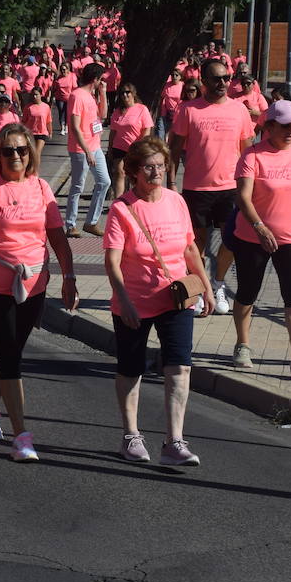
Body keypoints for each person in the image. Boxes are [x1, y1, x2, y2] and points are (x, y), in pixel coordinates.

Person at [0, 124, 77, 461]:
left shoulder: (41, 188)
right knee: (9, 355)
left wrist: (69, 276)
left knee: (11, 353)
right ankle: (22, 435)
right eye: (8, 151)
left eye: (22, 150)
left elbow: (57, 237)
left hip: (34, 284)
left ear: (31, 154)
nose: (16, 156)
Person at [103, 136, 214, 466]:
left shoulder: (176, 201)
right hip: (134, 302)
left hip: (175, 299)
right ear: (135, 171)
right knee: (131, 370)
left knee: (179, 367)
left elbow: (190, 248)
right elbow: (111, 261)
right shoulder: (122, 209)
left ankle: (174, 441)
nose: (156, 172)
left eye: (161, 166)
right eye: (148, 167)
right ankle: (131, 436)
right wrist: (124, 301)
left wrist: (206, 288)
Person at [230, 101, 291, 377]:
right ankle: (242, 345)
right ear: (269, 127)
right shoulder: (253, 155)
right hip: (252, 237)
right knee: (248, 292)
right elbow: (243, 197)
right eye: (285, 126)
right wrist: (260, 228)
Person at [168, 59, 255, 315]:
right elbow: (174, 150)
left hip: (230, 188)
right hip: (196, 188)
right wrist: (171, 183)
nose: (222, 83)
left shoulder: (239, 110)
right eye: (216, 79)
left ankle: (217, 284)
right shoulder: (188, 109)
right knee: (197, 245)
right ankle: (197, 290)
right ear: (203, 81)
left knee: (232, 241)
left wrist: (250, 188)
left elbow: (248, 152)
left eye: (226, 78)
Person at [64, 62, 111, 237]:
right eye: (101, 80)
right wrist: (86, 151)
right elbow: (75, 127)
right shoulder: (77, 96)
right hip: (80, 148)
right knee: (78, 186)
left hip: (95, 145)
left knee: (104, 181)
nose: (102, 83)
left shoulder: (91, 95)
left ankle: (91, 222)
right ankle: (70, 224)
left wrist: (103, 93)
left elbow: (103, 116)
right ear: (95, 79)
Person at [109, 82, 154, 198]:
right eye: (122, 93)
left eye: (127, 92)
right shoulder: (117, 112)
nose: (125, 95)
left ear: (133, 93)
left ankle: (134, 198)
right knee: (119, 172)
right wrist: (110, 149)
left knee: (135, 175)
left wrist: (141, 146)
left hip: (136, 148)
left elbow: (146, 129)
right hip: (119, 147)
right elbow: (113, 132)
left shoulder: (142, 109)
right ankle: (118, 200)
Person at [157, 70, 185, 139]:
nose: (174, 77)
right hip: (165, 112)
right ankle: (161, 147)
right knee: (161, 132)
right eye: (172, 75)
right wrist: (159, 109)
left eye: (176, 75)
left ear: (180, 77)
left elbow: (184, 100)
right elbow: (162, 97)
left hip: (177, 113)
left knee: (173, 134)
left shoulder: (183, 85)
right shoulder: (167, 85)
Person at [53, 62, 77, 135]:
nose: (63, 71)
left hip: (69, 98)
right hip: (59, 98)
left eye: (64, 69)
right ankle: (62, 127)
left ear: (68, 69)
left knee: (67, 112)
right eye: (61, 69)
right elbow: (55, 88)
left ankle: (66, 125)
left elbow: (75, 87)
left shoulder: (72, 76)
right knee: (61, 112)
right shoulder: (58, 78)